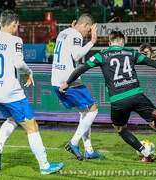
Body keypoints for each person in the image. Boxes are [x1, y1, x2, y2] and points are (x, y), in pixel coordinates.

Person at [59, 31, 156, 162]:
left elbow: (80, 69)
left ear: (109, 43)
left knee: (120, 128)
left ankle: (146, 154)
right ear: (122, 42)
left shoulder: (101, 55)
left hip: (118, 100)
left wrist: (67, 83)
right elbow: (151, 63)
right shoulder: (130, 52)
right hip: (137, 95)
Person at [0, 10, 64, 174]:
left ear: (0, 23)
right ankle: (45, 166)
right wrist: (29, 71)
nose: (17, 29)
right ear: (14, 24)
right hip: (12, 92)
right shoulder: (16, 40)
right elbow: (18, 63)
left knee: (12, 119)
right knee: (32, 127)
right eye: (17, 26)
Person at [51, 13, 105, 161]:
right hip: (68, 81)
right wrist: (92, 42)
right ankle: (73, 143)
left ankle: (89, 150)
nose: (87, 35)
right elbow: (76, 55)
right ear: (86, 25)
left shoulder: (64, 32)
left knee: (85, 113)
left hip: (56, 81)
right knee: (93, 110)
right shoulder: (76, 35)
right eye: (88, 32)